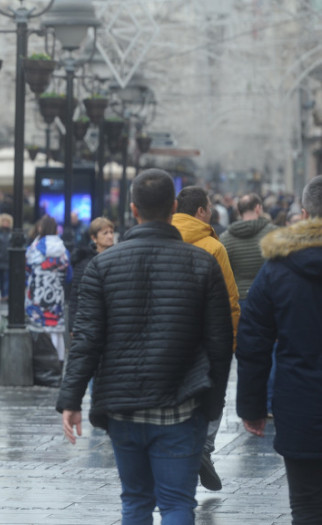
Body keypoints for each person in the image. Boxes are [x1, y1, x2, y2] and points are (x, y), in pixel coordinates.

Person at [57, 169, 234, 524]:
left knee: (136, 502)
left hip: (124, 405)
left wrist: (71, 399)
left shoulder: (103, 266)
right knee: (177, 504)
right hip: (182, 404)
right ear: (173, 207)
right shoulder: (203, 263)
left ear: (133, 209)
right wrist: (212, 404)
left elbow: (86, 339)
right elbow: (220, 340)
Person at [237, 175, 322, 524]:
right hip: (298, 403)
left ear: (304, 213)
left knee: (306, 506)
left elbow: (253, 343)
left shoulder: (276, 270)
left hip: (299, 404)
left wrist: (252, 407)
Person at [173, 185, 240, 491]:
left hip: (168, 337)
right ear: (200, 211)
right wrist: (232, 342)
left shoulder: (162, 238)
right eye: (209, 206)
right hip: (206, 338)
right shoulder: (214, 248)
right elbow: (230, 300)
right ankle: (203, 448)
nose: (212, 210)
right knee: (213, 398)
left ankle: (178, 445)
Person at [25, 215, 71, 362]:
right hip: (55, 295)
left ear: (40, 228)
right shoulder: (63, 250)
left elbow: (26, 271)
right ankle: (57, 361)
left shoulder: (33, 249)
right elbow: (69, 276)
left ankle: (40, 363)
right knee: (56, 329)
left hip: (37, 295)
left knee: (38, 327)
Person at [220, 193, 276, 301]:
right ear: (258, 208)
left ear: (239, 211)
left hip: (238, 297)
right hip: (267, 296)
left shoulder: (225, 238)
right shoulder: (274, 233)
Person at [68, 217, 115, 333]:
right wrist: (73, 326)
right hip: (91, 320)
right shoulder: (85, 263)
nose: (110, 236)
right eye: (105, 233)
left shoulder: (118, 259)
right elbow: (75, 295)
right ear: (94, 238)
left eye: (111, 232)